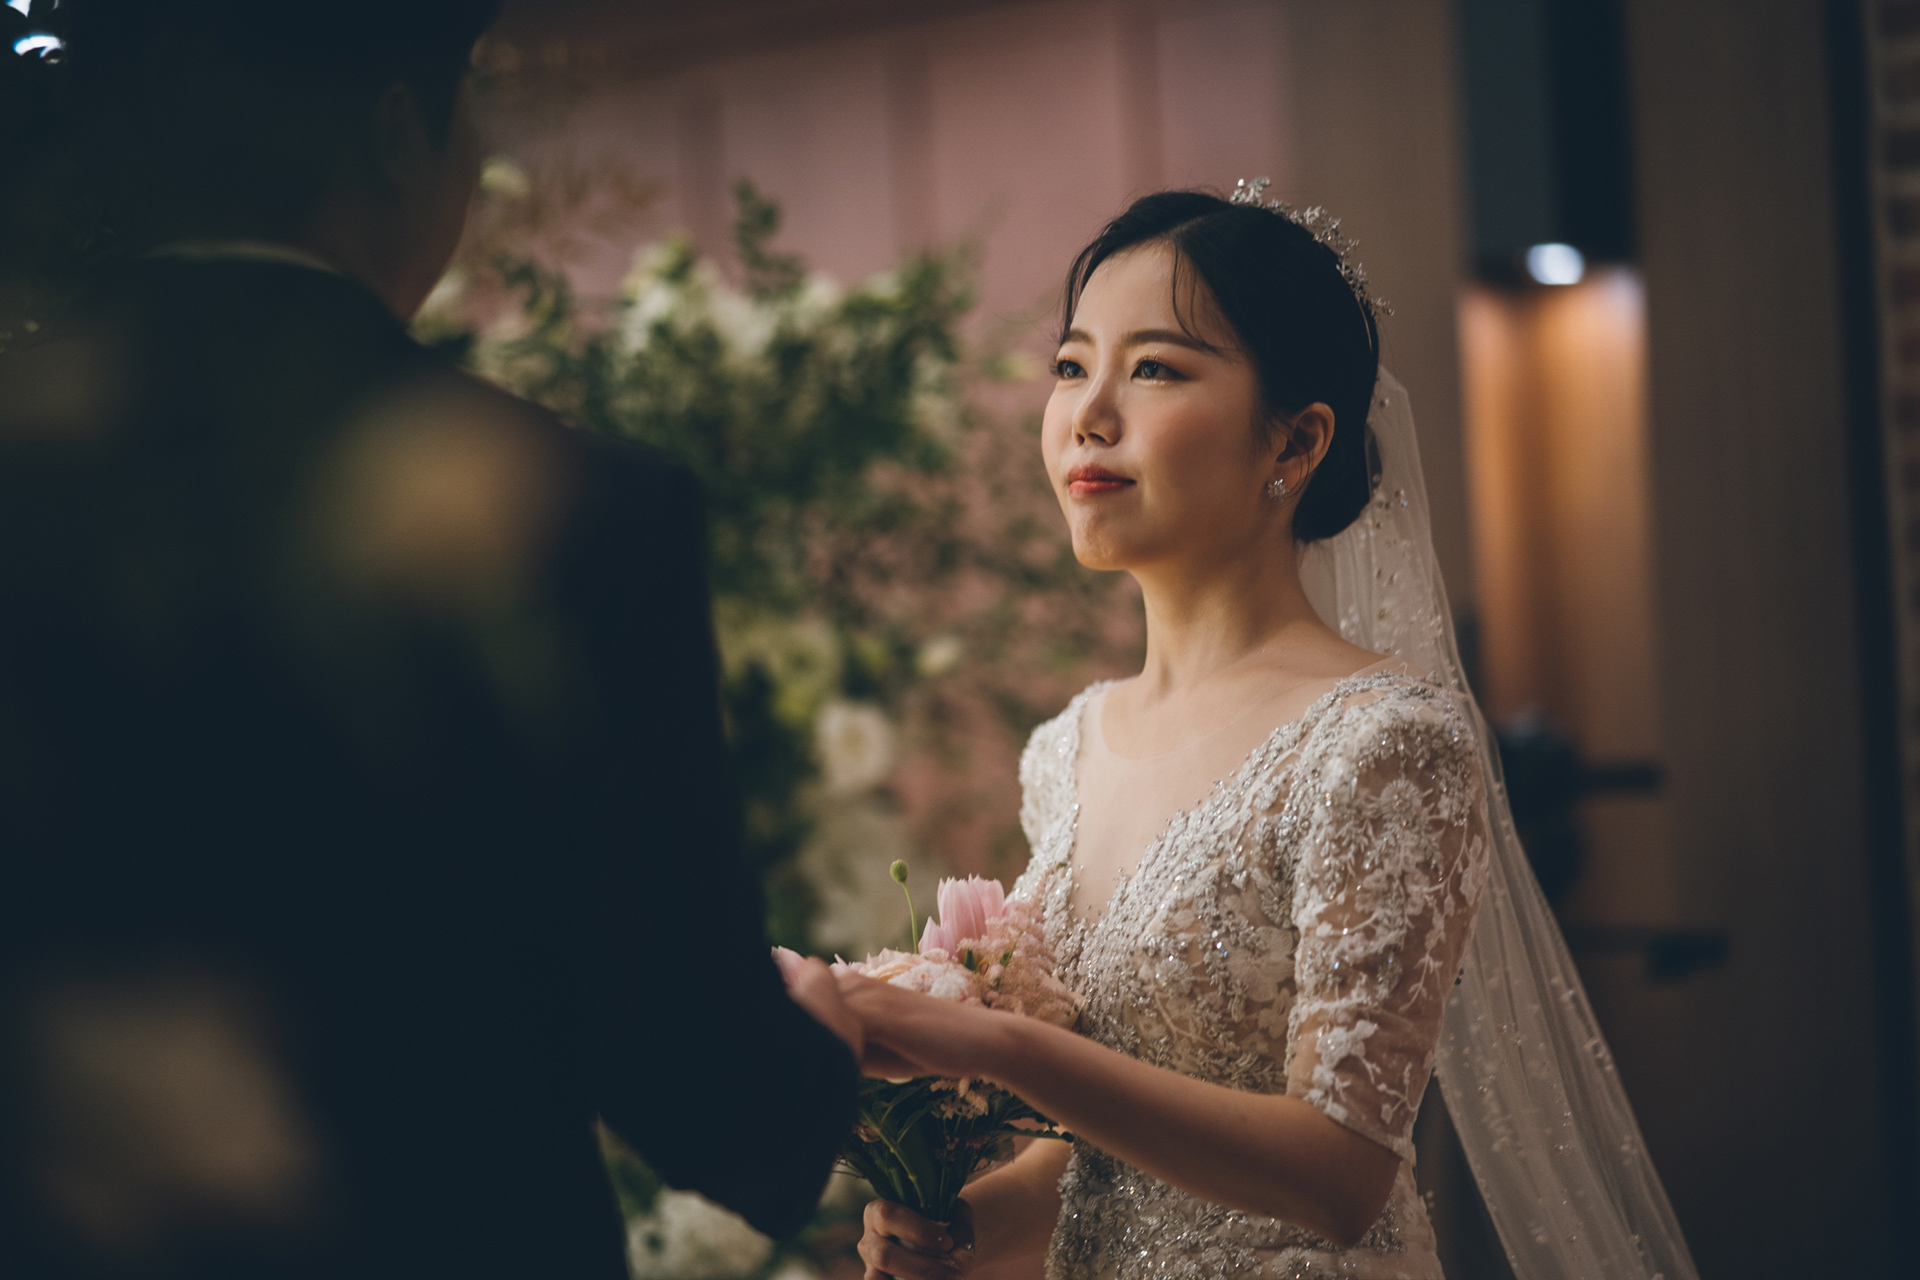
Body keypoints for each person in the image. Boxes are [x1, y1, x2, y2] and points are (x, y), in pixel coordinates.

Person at [0, 4, 858, 1277]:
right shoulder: (567, 511)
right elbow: (694, 1075)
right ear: (400, 126)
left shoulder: (42, 463)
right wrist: (816, 1052)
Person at [846, 188, 1700, 1280]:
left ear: (1295, 440)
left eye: (1155, 369)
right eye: (1070, 365)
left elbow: (1341, 1172)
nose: (1089, 414)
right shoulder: (1064, 749)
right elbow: (1102, 1161)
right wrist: (960, 1230)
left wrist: (994, 1041)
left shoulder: (1383, 743)